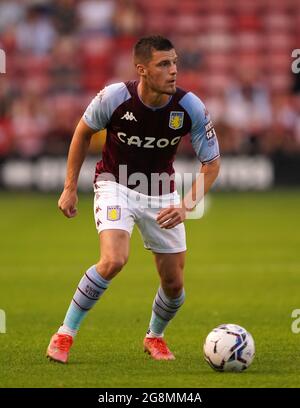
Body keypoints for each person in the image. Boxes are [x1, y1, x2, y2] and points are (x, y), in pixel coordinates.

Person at [46, 35, 220, 363]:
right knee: (113, 260)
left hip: (162, 193)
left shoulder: (189, 107)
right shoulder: (114, 98)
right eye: (164, 64)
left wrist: (186, 204)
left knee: (174, 284)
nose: (173, 71)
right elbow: (82, 133)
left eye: (175, 63)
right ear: (142, 69)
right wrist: (70, 186)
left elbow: (211, 163)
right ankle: (65, 334)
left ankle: (154, 337)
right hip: (115, 184)